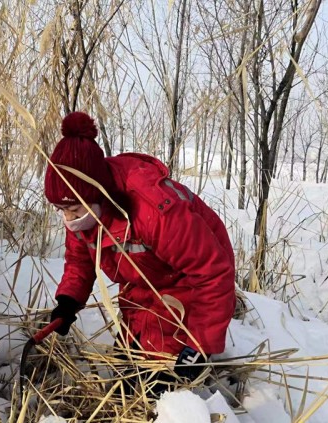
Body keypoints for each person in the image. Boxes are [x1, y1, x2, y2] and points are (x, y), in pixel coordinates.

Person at [44, 111, 236, 396]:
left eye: (74, 210)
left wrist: (198, 344)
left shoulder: (156, 211)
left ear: (99, 194)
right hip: (142, 283)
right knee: (126, 374)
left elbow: (212, 273)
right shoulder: (87, 214)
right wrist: (68, 301)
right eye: (61, 210)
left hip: (183, 286)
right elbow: (80, 259)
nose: (68, 220)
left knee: (159, 385)